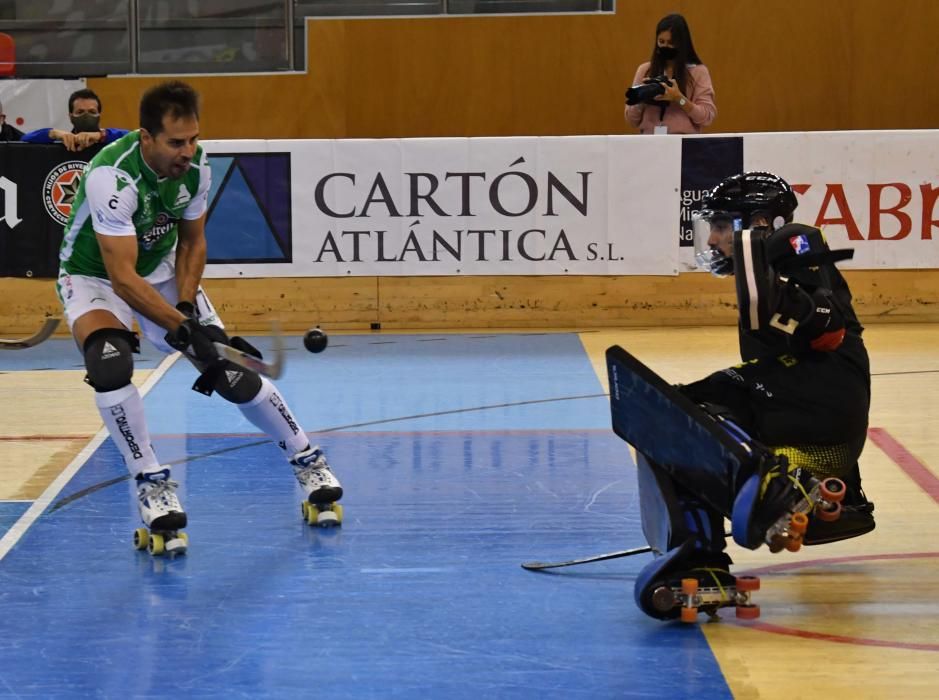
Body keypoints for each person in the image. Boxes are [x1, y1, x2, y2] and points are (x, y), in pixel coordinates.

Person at [56, 80, 342, 554]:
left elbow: (192, 242)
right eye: (175, 142)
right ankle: (151, 483)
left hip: (164, 271)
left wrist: (188, 312)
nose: (187, 151)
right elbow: (123, 280)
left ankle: (308, 460)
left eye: (192, 139)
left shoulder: (196, 167)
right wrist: (183, 330)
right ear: (146, 138)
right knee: (110, 366)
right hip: (96, 278)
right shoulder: (112, 177)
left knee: (229, 373)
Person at [631, 171, 874, 620]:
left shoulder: (794, 240)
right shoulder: (768, 267)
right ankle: (701, 555)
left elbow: (829, 325)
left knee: (684, 421)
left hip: (819, 404)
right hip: (793, 395)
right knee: (670, 408)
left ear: (758, 222)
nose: (715, 237)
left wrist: (763, 257)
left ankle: (782, 488)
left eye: (723, 226)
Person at [624, 13, 716, 135]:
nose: (665, 47)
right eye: (661, 41)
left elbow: (706, 117)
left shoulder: (697, 71)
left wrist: (679, 98)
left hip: (683, 143)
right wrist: (642, 99)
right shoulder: (645, 70)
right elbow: (631, 120)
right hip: (650, 142)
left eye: (671, 42)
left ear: (682, 44)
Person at [21, 88, 129, 152]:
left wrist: (101, 136)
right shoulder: (64, 143)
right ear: (70, 116)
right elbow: (24, 139)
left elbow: (134, 137)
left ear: (99, 115)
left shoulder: (113, 144)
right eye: (80, 112)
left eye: (92, 112)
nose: (86, 116)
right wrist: (52, 133)